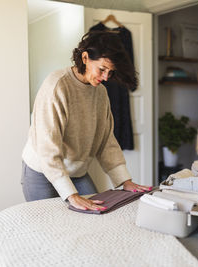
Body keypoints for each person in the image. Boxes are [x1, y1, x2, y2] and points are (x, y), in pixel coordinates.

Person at [21, 31, 151, 211]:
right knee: (49, 227)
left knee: (98, 213)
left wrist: (124, 180)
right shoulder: (57, 85)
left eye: (110, 72)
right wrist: (71, 195)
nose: (106, 77)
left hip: (76, 171)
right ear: (85, 57)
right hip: (41, 170)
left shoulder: (100, 93)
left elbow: (106, 141)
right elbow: (47, 148)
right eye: (102, 69)